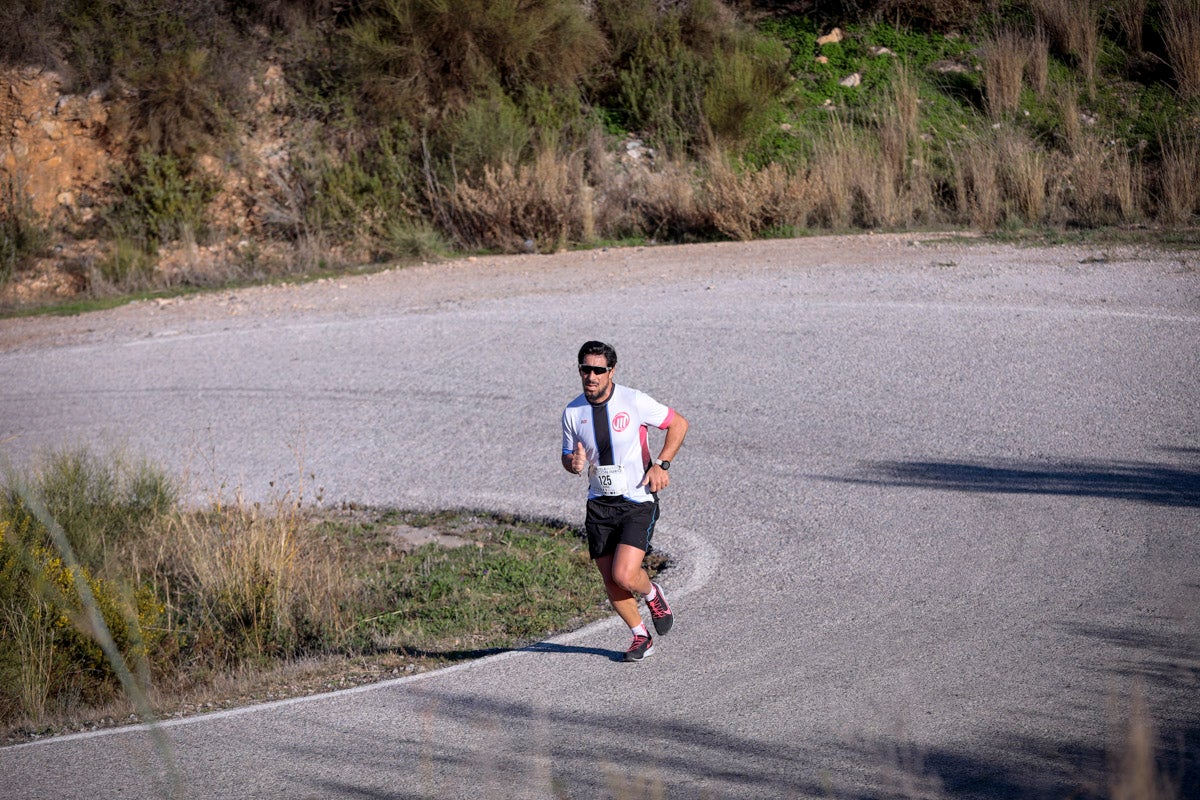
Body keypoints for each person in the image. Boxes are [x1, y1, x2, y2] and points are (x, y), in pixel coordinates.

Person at [561, 340, 689, 661]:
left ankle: (651, 592)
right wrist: (572, 463)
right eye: (585, 369)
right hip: (599, 504)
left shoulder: (633, 400)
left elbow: (678, 424)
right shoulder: (573, 412)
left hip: (637, 499)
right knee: (610, 579)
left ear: (611, 371)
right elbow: (568, 456)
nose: (591, 376)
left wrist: (662, 463)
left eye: (598, 370)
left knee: (624, 574)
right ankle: (640, 636)